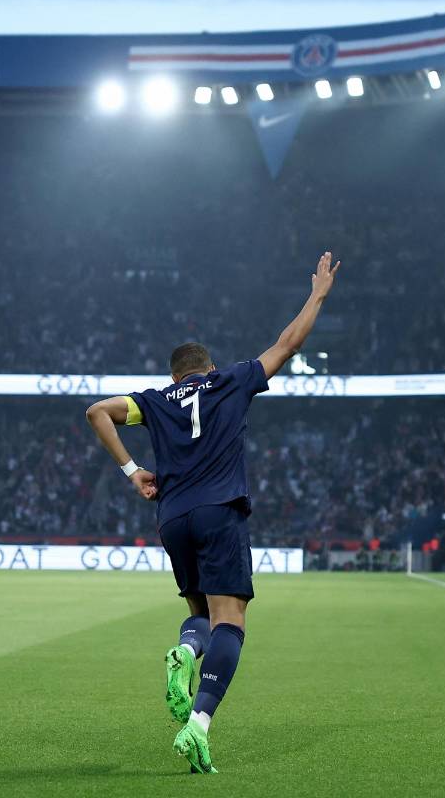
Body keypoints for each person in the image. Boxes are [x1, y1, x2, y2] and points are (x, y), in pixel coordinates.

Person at [85, 250, 341, 774]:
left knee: (201, 616)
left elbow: (96, 412)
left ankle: (185, 649)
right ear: (208, 367)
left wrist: (133, 471)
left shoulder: (153, 400)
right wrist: (317, 294)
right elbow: (289, 344)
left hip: (172, 518)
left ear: (174, 373)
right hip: (219, 510)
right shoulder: (232, 380)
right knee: (233, 621)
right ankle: (199, 723)